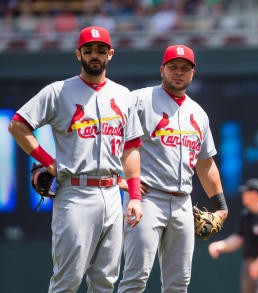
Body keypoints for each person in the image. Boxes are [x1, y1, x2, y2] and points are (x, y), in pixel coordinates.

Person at [8, 26, 144, 292]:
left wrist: (136, 196)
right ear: (78, 54)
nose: (95, 55)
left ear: (110, 54)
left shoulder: (123, 95)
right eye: (89, 50)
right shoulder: (58, 91)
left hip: (113, 194)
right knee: (67, 281)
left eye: (101, 50)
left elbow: (130, 149)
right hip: (75, 193)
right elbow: (17, 124)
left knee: (105, 281)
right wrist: (47, 160)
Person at [117, 44, 228, 293]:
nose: (179, 72)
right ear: (162, 70)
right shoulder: (139, 100)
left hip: (182, 203)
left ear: (192, 73)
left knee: (179, 284)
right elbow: (112, 139)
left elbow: (205, 162)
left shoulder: (198, 113)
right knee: (135, 279)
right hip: (146, 197)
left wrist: (221, 206)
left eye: (185, 68)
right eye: (173, 67)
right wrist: (117, 179)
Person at [208, 178, 258, 293]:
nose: (243, 195)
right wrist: (221, 245)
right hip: (249, 264)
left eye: (246, 192)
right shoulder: (246, 215)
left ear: (254, 194)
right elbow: (239, 237)